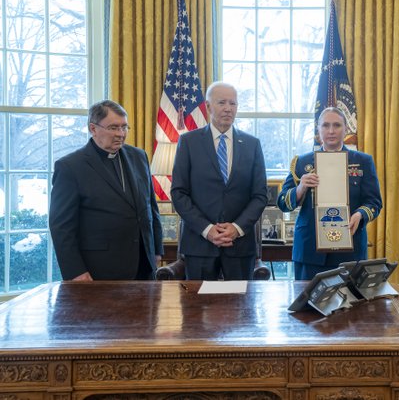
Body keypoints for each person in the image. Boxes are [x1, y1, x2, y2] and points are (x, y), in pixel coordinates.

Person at [49, 100, 163, 281]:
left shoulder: (138, 156)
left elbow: (151, 206)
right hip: (100, 268)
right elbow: (61, 227)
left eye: (124, 127)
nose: (120, 134)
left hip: (144, 265)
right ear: (93, 129)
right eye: (113, 128)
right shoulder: (70, 166)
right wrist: (75, 271)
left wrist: (156, 249)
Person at [171, 82, 267, 280]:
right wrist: (207, 230)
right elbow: (179, 193)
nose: (228, 108)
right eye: (222, 102)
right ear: (208, 107)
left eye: (233, 103)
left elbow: (259, 195)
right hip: (200, 245)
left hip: (239, 246)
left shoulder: (252, 144)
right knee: (198, 309)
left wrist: (236, 228)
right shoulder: (189, 142)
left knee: (240, 308)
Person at [277, 107, 383, 280]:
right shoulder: (302, 162)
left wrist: (360, 214)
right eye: (325, 125)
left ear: (346, 129)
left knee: (349, 305)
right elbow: (282, 202)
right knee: (307, 304)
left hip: (350, 249)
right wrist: (300, 188)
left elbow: (374, 202)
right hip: (309, 249)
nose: (331, 131)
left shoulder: (362, 161)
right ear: (318, 129)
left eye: (337, 125)